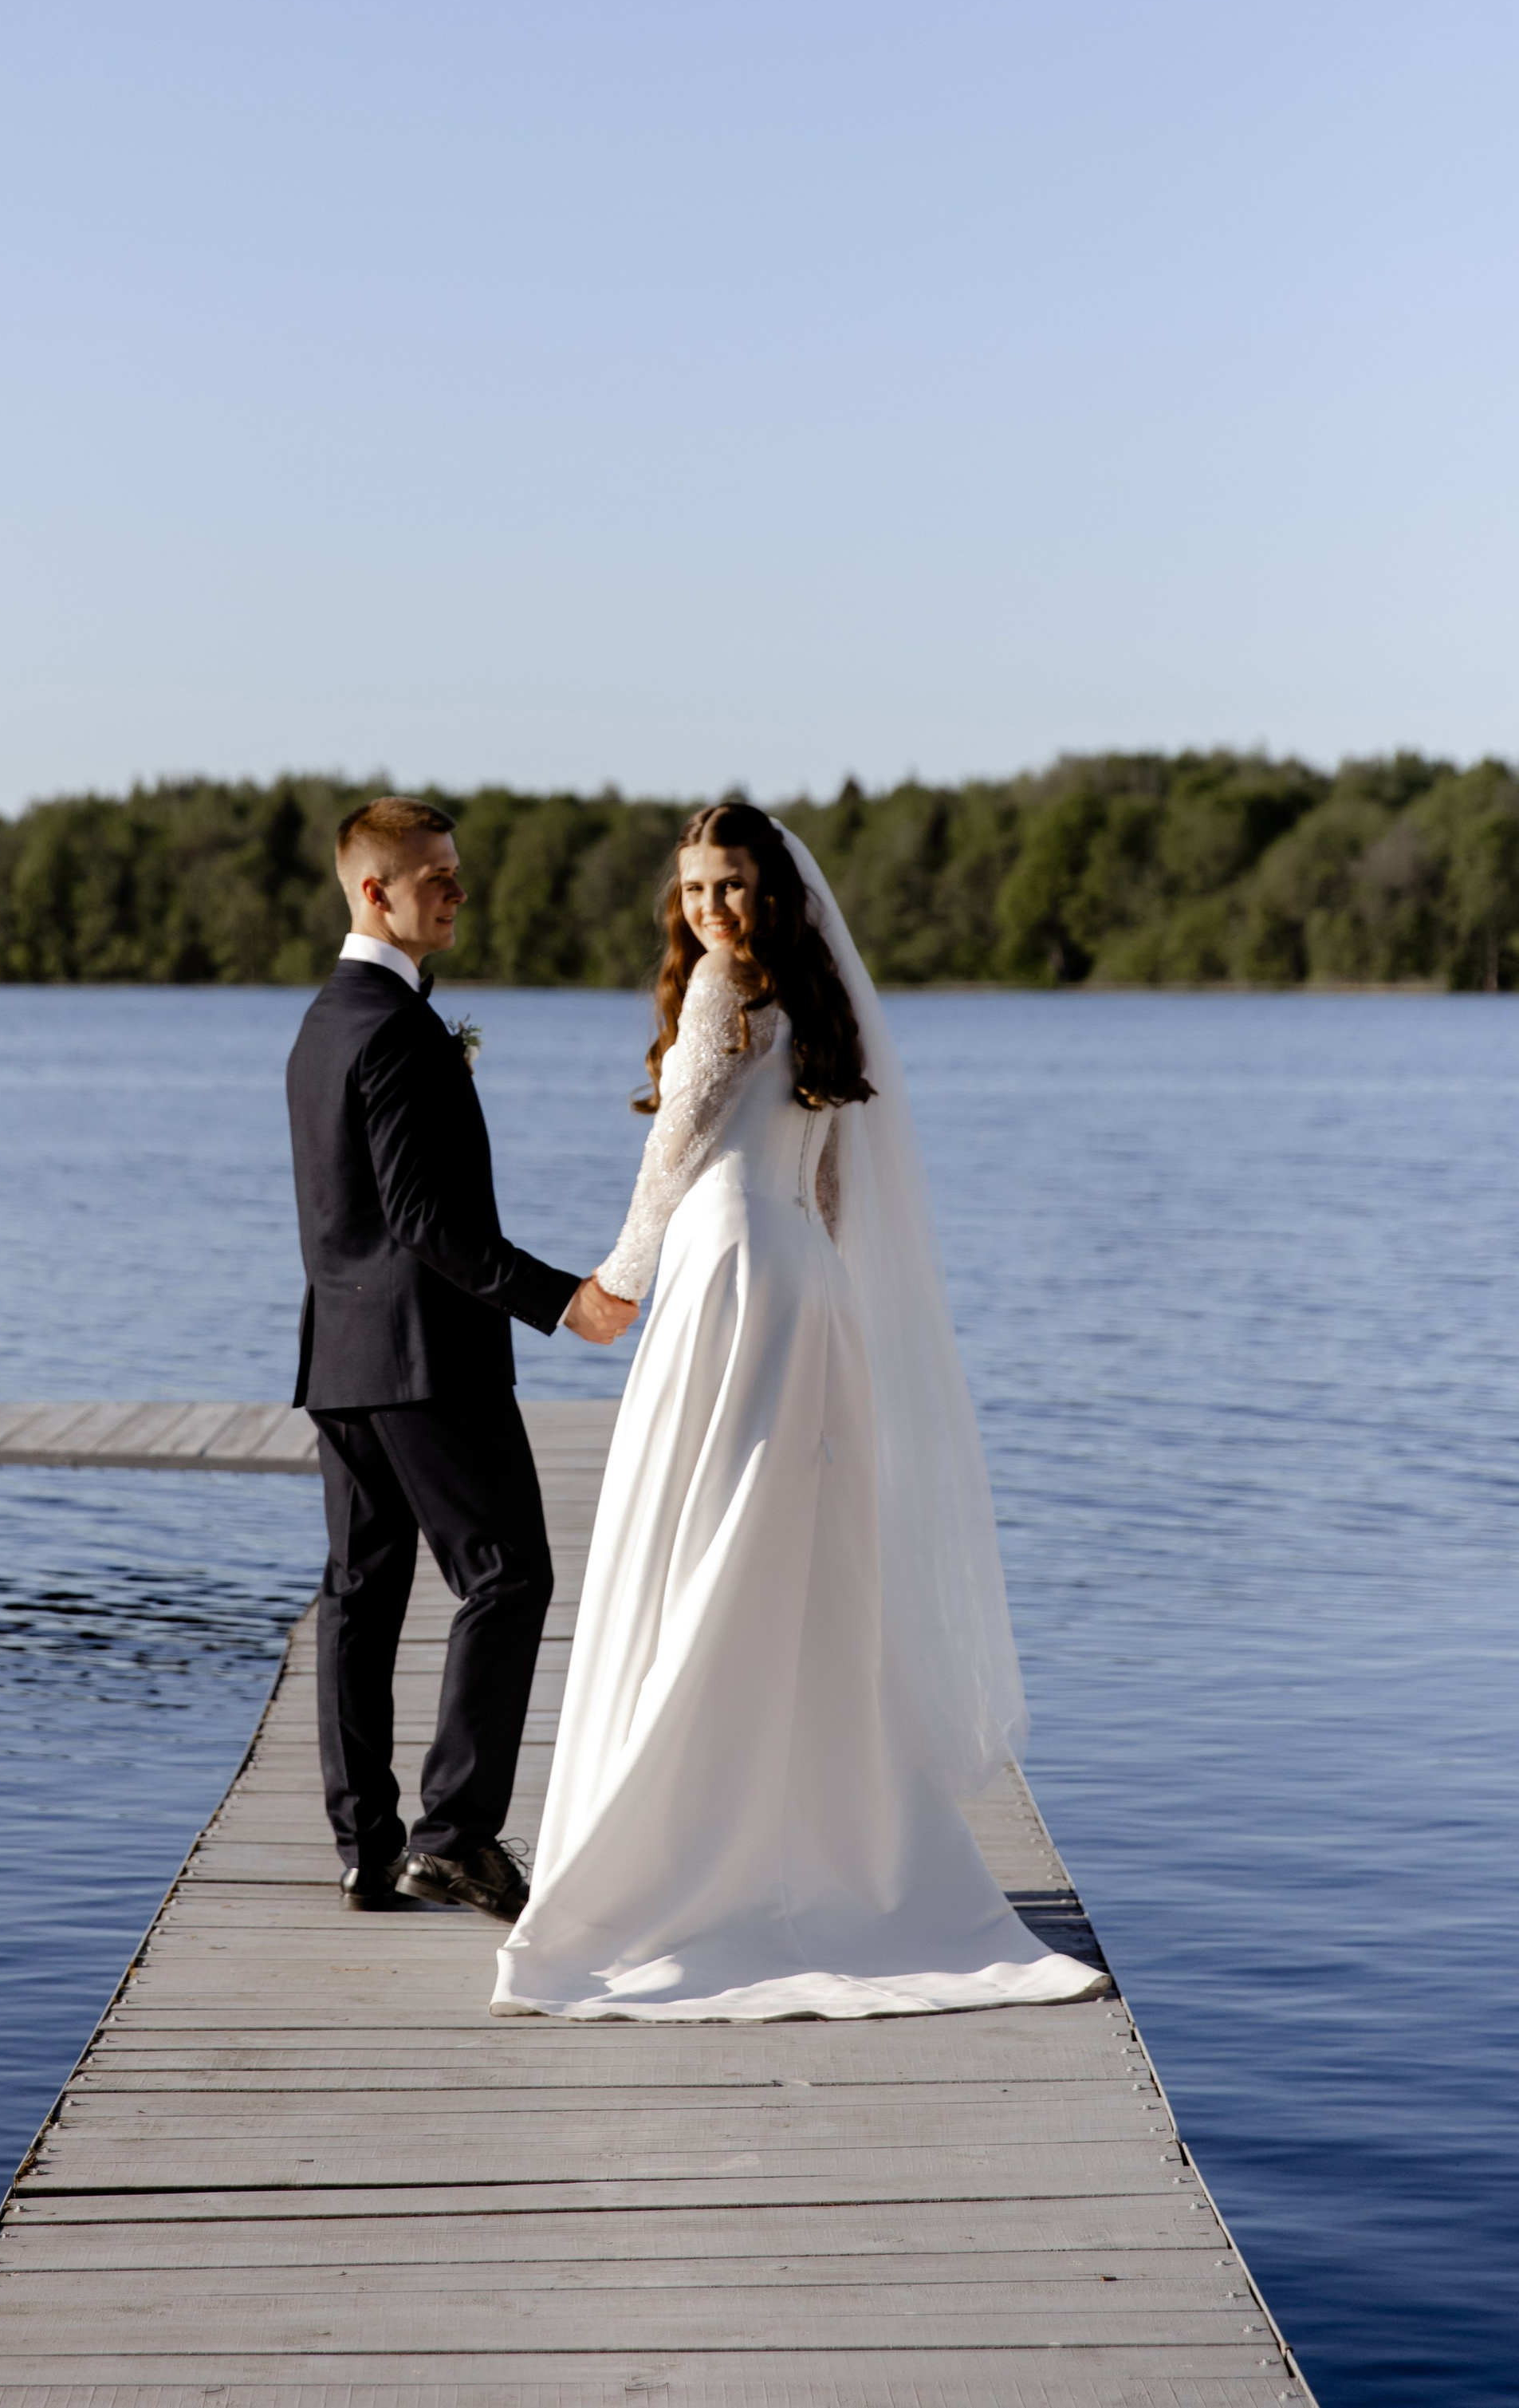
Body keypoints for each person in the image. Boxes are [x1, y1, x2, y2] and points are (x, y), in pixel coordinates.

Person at [494, 802, 1107, 2019]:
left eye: (730, 884)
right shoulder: (816, 1003)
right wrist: (819, 1304)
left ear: (771, 889)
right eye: (694, 888)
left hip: (725, 1276)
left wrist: (614, 1284)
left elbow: (673, 1154)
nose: (710, 908)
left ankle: (668, 1850)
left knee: (697, 1547)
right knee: (791, 1550)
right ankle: (815, 1840)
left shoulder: (725, 990)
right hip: (798, 1279)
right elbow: (827, 1188)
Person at [286, 795, 635, 1921]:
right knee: (508, 1572)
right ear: (373, 891)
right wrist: (562, 1301)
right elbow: (427, 1221)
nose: (457, 890)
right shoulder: (395, 1029)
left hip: (340, 1358)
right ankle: (456, 1834)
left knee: (362, 1594)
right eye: (435, 875)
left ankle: (365, 1846)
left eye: (456, 871)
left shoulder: (324, 1019)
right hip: (427, 1356)